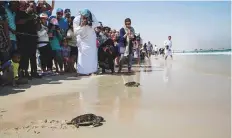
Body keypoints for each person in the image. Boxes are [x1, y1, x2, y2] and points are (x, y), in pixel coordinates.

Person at [16, 1, 41, 79]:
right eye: (31, 6)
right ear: (27, 6)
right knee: (25, 56)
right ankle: (25, 72)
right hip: (24, 38)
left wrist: (37, 21)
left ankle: (34, 72)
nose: (33, 8)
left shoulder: (35, 15)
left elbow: (38, 28)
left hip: (33, 38)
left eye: (34, 7)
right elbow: (19, 22)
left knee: (33, 56)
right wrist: (29, 18)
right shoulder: (21, 13)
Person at [73, 9, 99, 76]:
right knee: (82, 56)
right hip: (82, 40)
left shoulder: (92, 15)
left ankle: (93, 70)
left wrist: (89, 23)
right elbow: (75, 32)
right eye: (83, 17)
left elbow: (96, 24)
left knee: (92, 55)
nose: (85, 18)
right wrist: (81, 25)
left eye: (86, 17)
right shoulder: (76, 19)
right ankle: (81, 71)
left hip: (91, 39)